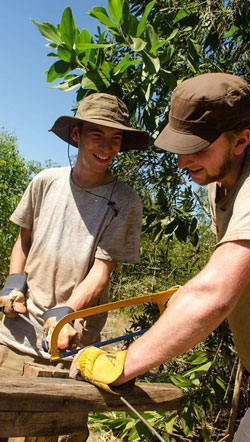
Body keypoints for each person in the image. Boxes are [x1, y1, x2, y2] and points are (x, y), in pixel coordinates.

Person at [70, 73, 250, 442]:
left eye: (197, 148)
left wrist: (125, 362)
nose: (181, 163)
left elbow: (215, 294)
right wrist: (187, 297)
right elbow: (233, 272)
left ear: (240, 140)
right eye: (178, 147)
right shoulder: (219, 181)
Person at [0, 93, 149, 440]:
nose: (107, 146)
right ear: (77, 135)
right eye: (98, 135)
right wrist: (12, 285)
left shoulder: (125, 200)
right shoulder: (45, 182)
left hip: (67, 346)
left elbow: (101, 271)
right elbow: (24, 239)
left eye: (116, 139)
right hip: (11, 336)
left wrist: (66, 314)